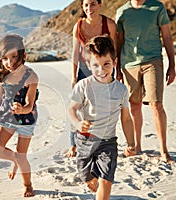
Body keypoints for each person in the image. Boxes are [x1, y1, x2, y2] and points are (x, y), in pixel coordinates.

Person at [68, 35, 136, 199]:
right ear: (88, 65)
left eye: (106, 64)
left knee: (106, 180)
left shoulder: (120, 90)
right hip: (85, 139)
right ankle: (89, 178)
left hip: (108, 142)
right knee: (86, 175)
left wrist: (132, 142)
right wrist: (77, 124)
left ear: (114, 61)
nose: (101, 70)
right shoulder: (83, 85)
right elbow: (71, 109)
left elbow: (126, 118)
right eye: (96, 65)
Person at [0, 34, 39, 197]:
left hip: (26, 119)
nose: (10, 62)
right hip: (7, 116)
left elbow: (30, 104)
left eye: (14, 56)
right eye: (5, 58)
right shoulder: (5, 74)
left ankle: (27, 185)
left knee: (22, 156)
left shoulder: (31, 76)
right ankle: (15, 160)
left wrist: (22, 109)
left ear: (23, 55)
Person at [116, 0, 176, 162]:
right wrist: (117, 69)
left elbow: (167, 37)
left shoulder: (157, 7)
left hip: (153, 61)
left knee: (156, 104)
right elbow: (119, 42)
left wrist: (172, 65)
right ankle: (137, 146)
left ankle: (164, 150)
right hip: (129, 65)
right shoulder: (122, 12)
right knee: (134, 105)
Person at [66, 0, 117, 157]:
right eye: (86, 5)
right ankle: (73, 145)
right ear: (82, 6)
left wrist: (117, 70)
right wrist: (74, 76)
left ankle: (101, 141)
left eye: (93, 4)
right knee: (78, 106)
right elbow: (75, 52)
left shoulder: (109, 24)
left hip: (104, 69)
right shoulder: (79, 26)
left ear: (100, 5)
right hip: (84, 69)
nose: (89, 8)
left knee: (101, 105)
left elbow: (115, 49)